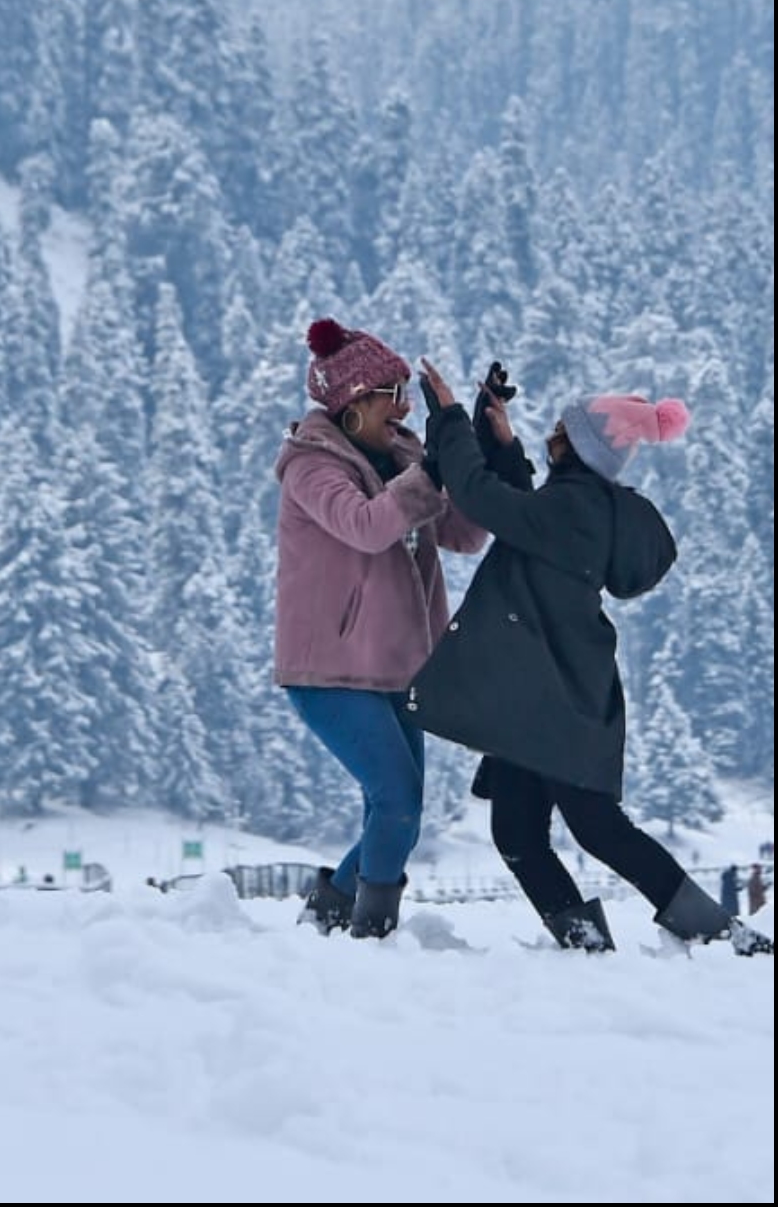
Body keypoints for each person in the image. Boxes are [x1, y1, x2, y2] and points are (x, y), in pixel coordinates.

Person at [410, 360, 772, 955]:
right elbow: (518, 511)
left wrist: (449, 416)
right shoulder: (580, 509)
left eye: (560, 426)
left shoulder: (567, 511)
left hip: (551, 702)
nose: (551, 429)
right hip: (556, 698)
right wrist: (500, 440)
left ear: (575, 444)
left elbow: (480, 498)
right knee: (524, 832)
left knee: (592, 829)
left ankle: (715, 933)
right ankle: (587, 946)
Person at [274, 318, 488, 940]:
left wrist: (465, 459)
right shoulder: (310, 467)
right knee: (395, 805)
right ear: (350, 405)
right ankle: (369, 935)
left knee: (400, 812)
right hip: (330, 670)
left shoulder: (405, 458)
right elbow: (366, 525)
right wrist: (429, 475)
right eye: (389, 394)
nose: (402, 407)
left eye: (405, 392)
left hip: (398, 667)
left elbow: (466, 537)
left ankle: (327, 920)